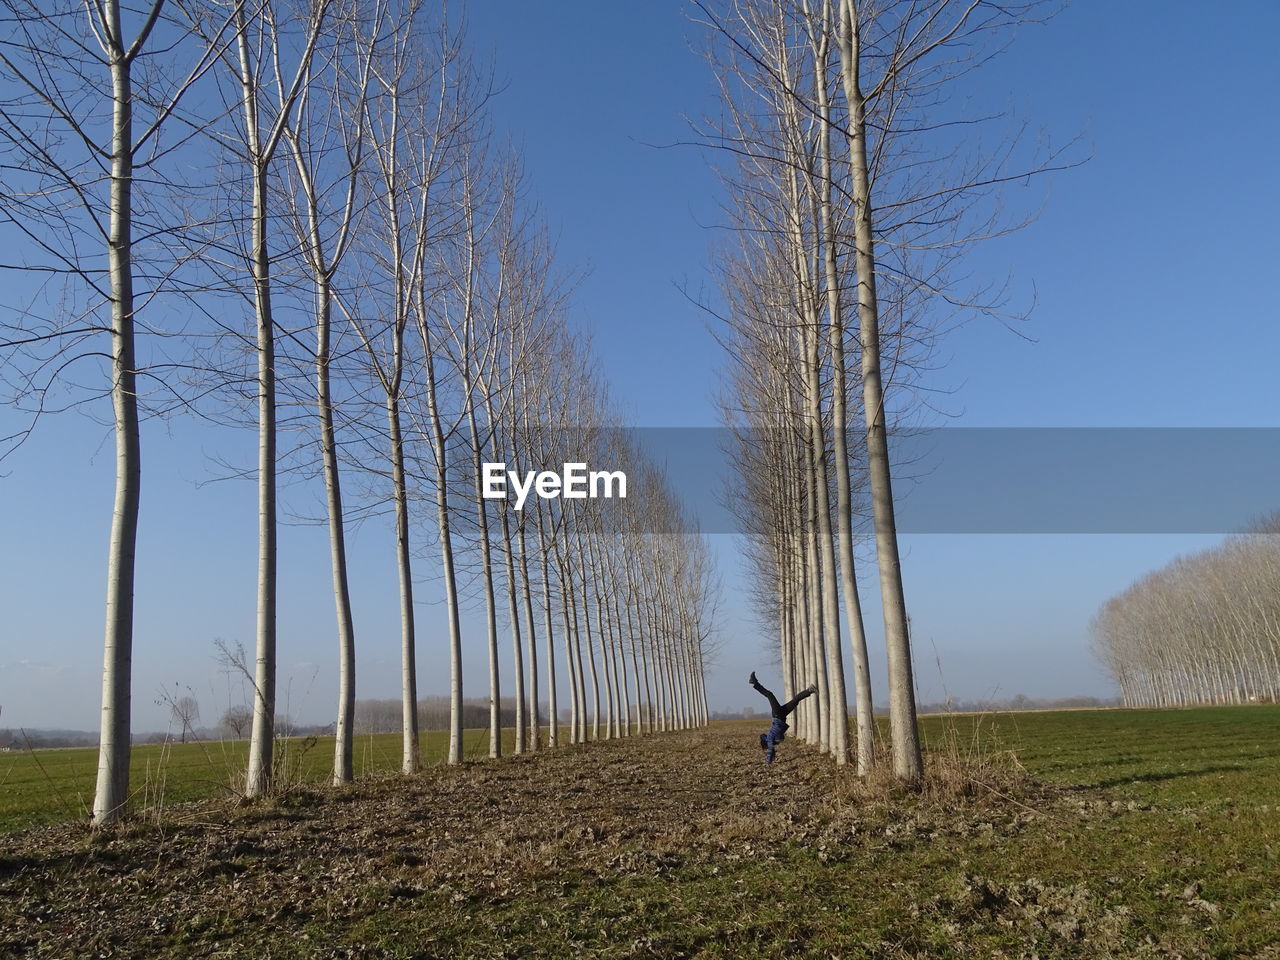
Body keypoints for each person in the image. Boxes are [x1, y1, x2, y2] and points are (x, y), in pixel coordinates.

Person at [749, 671, 818, 764]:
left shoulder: (774, 740)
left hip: (781, 716)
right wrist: (767, 762)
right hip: (778, 715)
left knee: (795, 700)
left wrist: (768, 750)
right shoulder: (769, 739)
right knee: (770, 695)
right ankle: (754, 683)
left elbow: (770, 749)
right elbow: (768, 749)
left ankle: (810, 690)